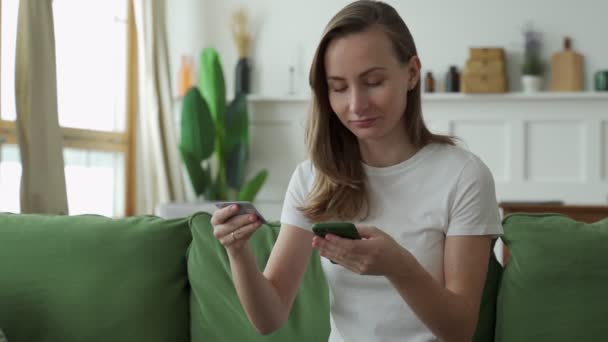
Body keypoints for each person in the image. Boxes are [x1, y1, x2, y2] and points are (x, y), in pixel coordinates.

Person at [210, 1, 502, 341]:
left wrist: (398, 266)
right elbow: (269, 317)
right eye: (338, 87)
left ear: (411, 72)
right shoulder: (313, 178)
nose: (356, 105)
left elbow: (460, 330)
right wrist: (238, 253)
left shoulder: (463, 175)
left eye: (373, 81)